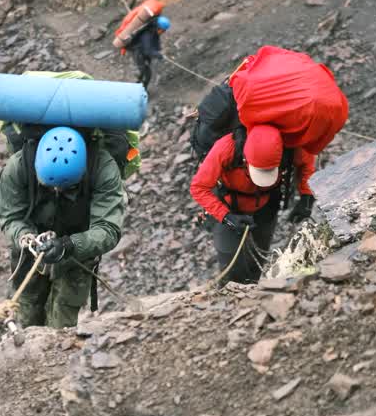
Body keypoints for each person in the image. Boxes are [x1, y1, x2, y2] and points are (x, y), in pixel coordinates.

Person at [0, 126, 127, 328]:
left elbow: (108, 228)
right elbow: (10, 215)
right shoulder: (18, 166)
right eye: (49, 186)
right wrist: (25, 237)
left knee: (62, 323)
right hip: (30, 253)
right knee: (26, 310)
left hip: (76, 252)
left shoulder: (103, 168)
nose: (57, 191)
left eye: (68, 187)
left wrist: (69, 245)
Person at [189, 123, 316, 284]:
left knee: (257, 256)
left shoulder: (290, 147)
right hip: (228, 205)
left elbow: (307, 164)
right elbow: (199, 187)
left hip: (267, 204)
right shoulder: (226, 147)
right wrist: (226, 216)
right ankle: (230, 294)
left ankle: (251, 289)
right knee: (230, 262)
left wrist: (306, 197)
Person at [127, 15, 169, 91]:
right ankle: (138, 92)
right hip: (139, 53)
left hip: (143, 54)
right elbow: (148, 51)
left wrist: (158, 53)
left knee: (145, 74)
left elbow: (155, 45)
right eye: (163, 30)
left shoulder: (154, 32)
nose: (163, 32)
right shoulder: (147, 35)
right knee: (146, 74)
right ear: (157, 27)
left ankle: (140, 90)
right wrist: (159, 55)